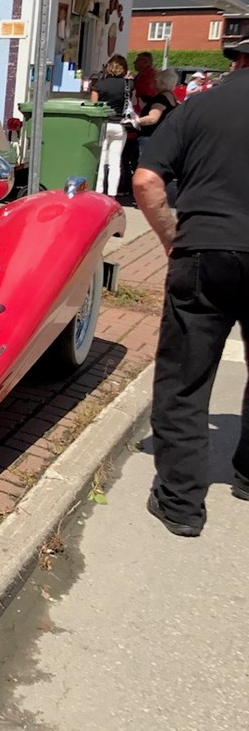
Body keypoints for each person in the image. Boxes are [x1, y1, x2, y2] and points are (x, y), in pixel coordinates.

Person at [132, 37, 249, 537]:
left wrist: (172, 241)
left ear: (240, 57)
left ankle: (180, 503)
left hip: (206, 248)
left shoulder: (199, 106)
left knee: (186, 376)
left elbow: (145, 181)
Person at [89, 55, 131, 197]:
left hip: (103, 125)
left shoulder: (99, 86)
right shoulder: (129, 85)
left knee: (101, 160)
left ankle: (99, 191)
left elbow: (94, 107)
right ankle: (112, 193)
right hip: (120, 126)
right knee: (115, 161)